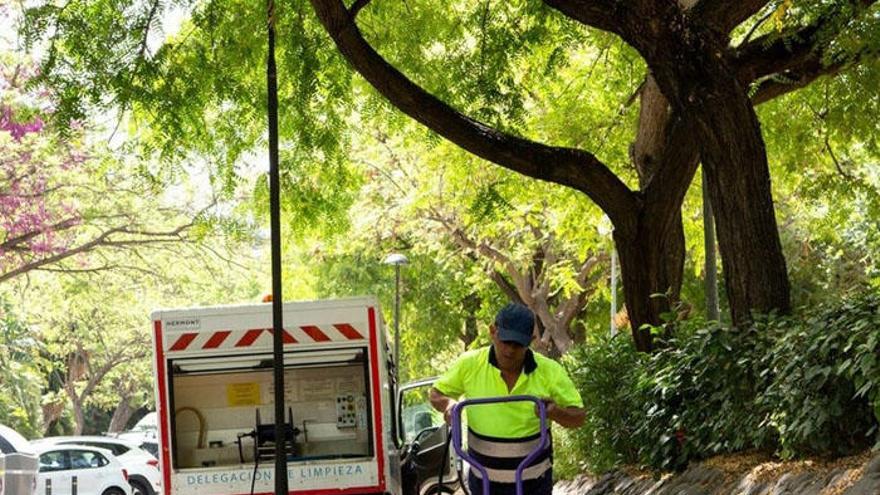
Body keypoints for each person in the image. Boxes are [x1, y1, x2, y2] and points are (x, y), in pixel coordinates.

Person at [429, 303, 585, 495]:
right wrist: (449, 405)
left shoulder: (549, 371)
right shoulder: (469, 365)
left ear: (531, 340)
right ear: (493, 332)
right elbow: (436, 394)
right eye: (505, 341)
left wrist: (555, 412)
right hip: (484, 483)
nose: (510, 351)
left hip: (534, 484)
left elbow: (579, 416)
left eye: (518, 344)